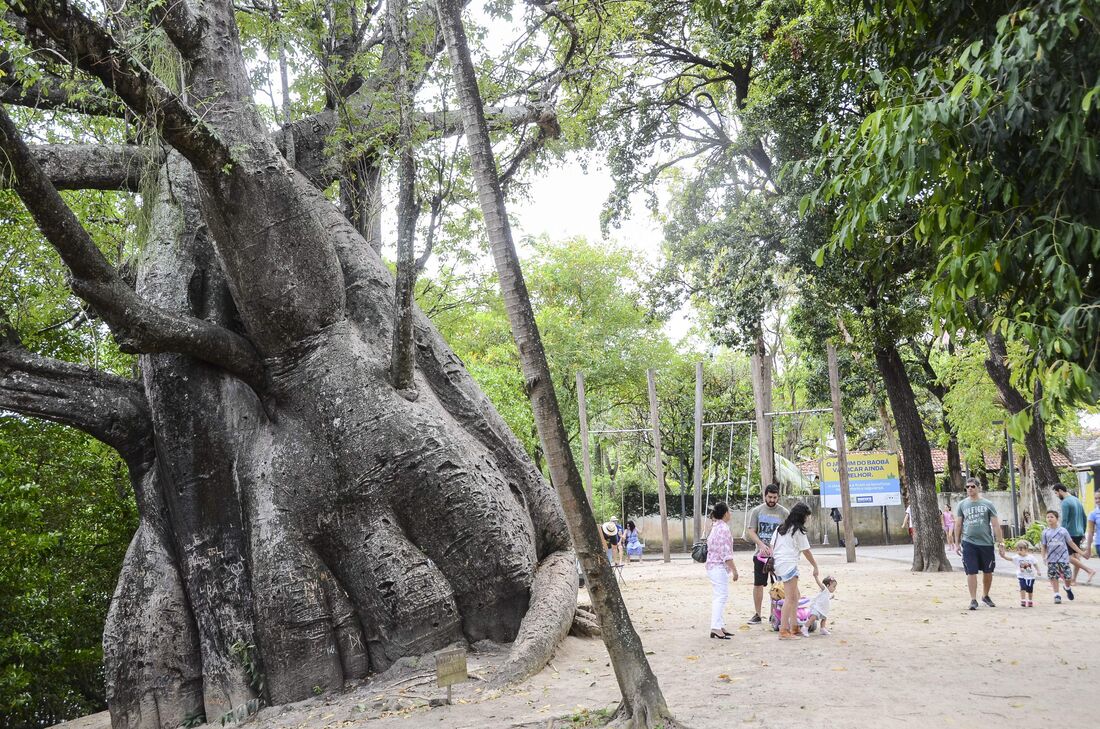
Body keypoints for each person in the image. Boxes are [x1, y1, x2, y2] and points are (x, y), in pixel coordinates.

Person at [953, 477, 1008, 610]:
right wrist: (956, 542)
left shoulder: (987, 504)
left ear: (978, 487)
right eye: (967, 487)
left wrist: (1001, 543)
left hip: (986, 543)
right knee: (971, 571)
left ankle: (985, 595)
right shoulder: (962, 505)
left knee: (988, 571)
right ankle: (973, 599)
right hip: (969, 542)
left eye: (972, 486)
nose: (970, 489)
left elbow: (995, 525)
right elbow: (958, 524)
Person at [770, 502, 819, 640]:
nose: (808, 519)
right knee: (790, 599)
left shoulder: (780, 528)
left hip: (779, 565)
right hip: (789, 565)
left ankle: (794, 626)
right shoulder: (798, 531)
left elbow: (772, 545)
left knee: (795, 596)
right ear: (802, 516)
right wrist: (815, 566)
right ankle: (784, 630)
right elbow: (806, 551)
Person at [746, 484, 789, 625]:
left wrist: (776, 548)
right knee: (758, 584)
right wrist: (761, 544)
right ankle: (757, 614)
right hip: (760, 555)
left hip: (777, 556)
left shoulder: (784, 513)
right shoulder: (757, 511)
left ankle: (773, 614)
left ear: (778, 497)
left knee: (776, 586)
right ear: (765, 496)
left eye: (775, 497)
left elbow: (787, 534)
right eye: (769, 497)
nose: (772, 500)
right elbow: (751, 531)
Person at [705, 502, 739, 639]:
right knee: (721, 597)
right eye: (729, 511)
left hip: (712, 566)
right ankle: (715, 627)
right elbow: (726, 554)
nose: (730, 514)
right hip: (718, 567)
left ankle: (720, 625)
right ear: (725, 514)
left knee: (719, 596)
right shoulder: (723, 529)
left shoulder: (715, 527)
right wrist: (735, 570)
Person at [1041, 510, 1088, 603]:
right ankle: (1057, 595)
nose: (1049, 519)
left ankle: (1067, 587)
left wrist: (1081, 552)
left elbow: (1071, 543)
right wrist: (1043, 557)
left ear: (1057, 519)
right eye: (1048, 517)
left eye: (1052, 517)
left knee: (1068, 576)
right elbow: (1043, 546)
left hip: (1063, 558)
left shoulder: (1063, 531)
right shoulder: (1045, 532)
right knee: (1053, 576)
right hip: (1051, 559)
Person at [1052, 484, 1096, 583]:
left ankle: (1089, 570)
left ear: (1060, 491)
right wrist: (1083, 532)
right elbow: (1084, 517)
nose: (1056, 495)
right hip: (1079, 532)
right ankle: (1074, 580)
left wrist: (1060, 533)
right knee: (1076, 557)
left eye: (1056, 493)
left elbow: (1065, 520)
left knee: (1067, 557)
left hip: (1070, 533)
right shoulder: (1077, 500)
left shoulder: (1065, 502)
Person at [1011, 540, 1041, 607]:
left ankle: (1030, 600)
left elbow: (1035, 564)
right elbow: (1010, 558)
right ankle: (1023, 600)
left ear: (1026, 549)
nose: (1019, 552)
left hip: (1030, 576)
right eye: (1018, 550)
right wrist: (1003, 556)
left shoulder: (1031, 557)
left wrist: (1038, 571)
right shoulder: (1017, 557)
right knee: (1023, 587)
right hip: (1021, 575)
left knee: (1030, 588)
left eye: (1021, 550)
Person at [1085, 488, 1100, 562]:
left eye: (1099, 498)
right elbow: (1090, 532)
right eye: (1096, 498)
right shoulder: (1093, 514)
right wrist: (1088, 548)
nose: (1097, 500)